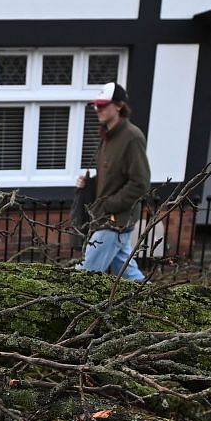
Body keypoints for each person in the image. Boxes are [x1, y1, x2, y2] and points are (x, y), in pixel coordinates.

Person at [77, 82, 149, 281]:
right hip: (106, 218)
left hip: (113, 222)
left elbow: (140, 183)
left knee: (84, 277)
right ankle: (162, 305)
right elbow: (111, 176)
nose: (97, 109)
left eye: (102, 105)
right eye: (96, 105)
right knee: (129, 275)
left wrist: (108, 205)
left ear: (118, 106)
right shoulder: (107, 136)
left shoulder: (132, 137)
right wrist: (89, 183)